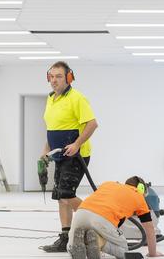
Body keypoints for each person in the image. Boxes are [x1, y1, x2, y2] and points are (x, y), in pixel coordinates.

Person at [40, 61, 98, 252]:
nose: (54, 80)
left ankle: (96, 222)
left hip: (76, 155)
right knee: (60, 197)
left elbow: (92, 124)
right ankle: (65, 237)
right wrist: (45, 151)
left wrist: (77, 144)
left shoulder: (77, 98)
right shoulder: (50, 99)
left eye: (59, 76)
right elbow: (52, 130)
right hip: (59, 156)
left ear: (68, 78)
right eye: (52, 76)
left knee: (66, 194)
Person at [68, 176, 164, 259]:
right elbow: (150, 229)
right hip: (103, 219)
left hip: (81, 212)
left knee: (71, 246)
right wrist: (153, 253)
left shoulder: (108, 184)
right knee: (124, 250)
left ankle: (76, 243)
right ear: (141, 189)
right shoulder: (139, 197)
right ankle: (98, 241)